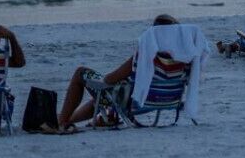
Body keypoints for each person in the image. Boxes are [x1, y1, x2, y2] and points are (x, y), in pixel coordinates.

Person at [58, 14, 186, 131]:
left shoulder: (145, 54)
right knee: (104, 95)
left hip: (133, 102)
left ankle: (62, 121)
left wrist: (106, 79)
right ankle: (69, 119)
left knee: (81, 73)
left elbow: (111, 79)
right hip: (164, 99)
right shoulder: (184, 59)